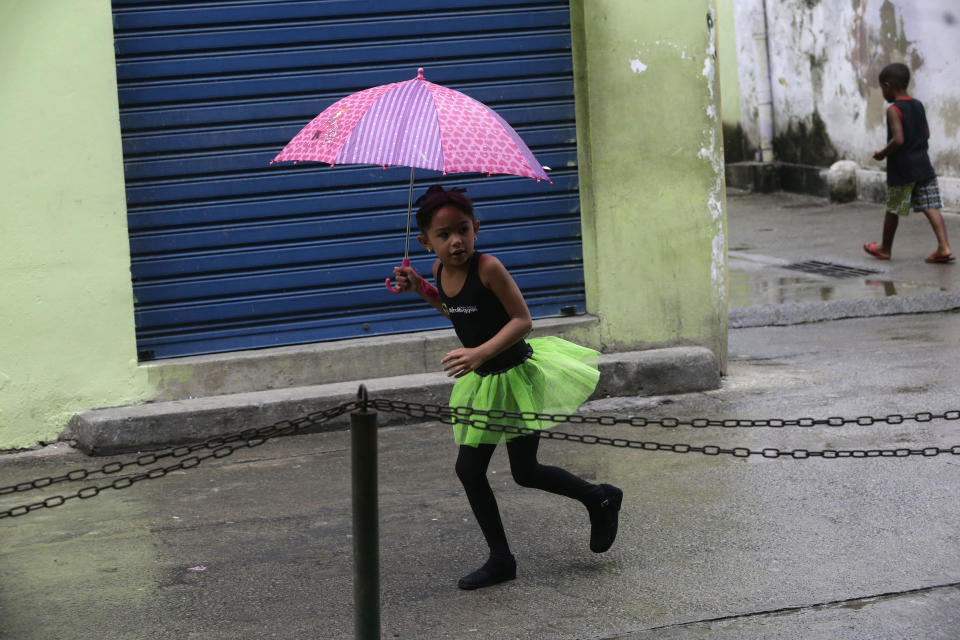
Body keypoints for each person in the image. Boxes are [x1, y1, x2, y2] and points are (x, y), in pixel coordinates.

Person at [392, 185, 623, 590]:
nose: (456, 241)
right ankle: (503, 558)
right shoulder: (440, 271)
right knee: (475, 469)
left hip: (515, 376)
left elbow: (522, 320)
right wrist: (422, 290)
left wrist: (479, 352)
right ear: (425, 242)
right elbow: (457, 310)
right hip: (483, 382)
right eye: (443, 235)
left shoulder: (489, 268)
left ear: (476, 228)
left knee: (524, 471)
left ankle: (600, 498)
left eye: (463, 230)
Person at [863, 62, 953, 263]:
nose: (883, 94)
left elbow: (899, 139)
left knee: (894, 208)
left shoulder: (894, 110)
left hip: (902, 170)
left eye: (882, 89)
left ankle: (885, 249)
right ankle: (944, 247)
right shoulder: (918, 104)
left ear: (888, 86)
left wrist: (882, 152)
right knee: (931, 206)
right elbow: (926, 133)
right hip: (923, 165)